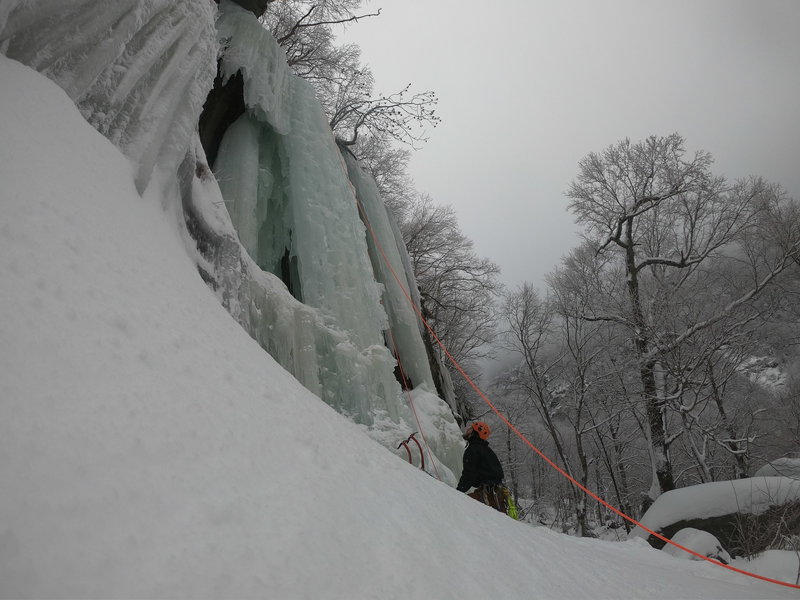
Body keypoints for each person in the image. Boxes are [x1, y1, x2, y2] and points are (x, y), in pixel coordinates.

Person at [457, 421, 506, 512]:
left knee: (460, 507)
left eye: (471, 428)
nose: (467, 430)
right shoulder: (486, 450)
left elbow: (469, 475)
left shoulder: (473, 450)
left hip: (488, 494)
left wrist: (457, 492)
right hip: (497, 494)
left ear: (475, 433)